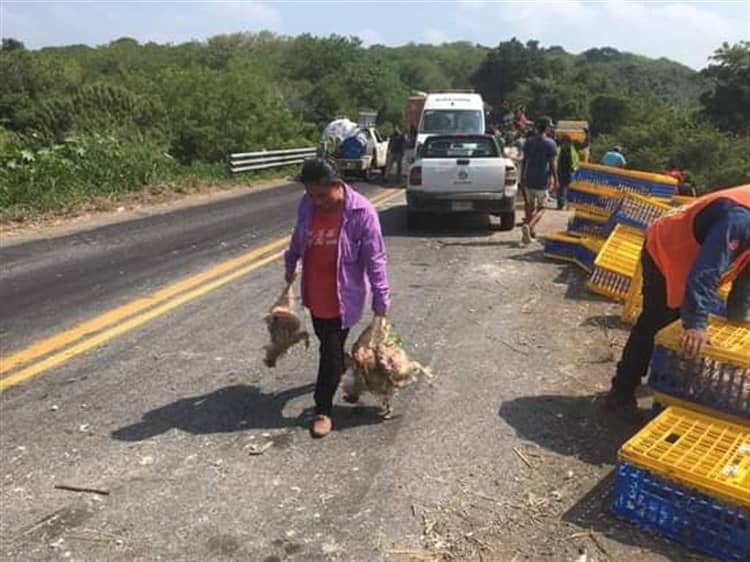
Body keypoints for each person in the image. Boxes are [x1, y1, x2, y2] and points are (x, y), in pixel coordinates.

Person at [603, 185, 750, 422]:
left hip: (696, 251)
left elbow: (745, 274)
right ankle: (620, 393)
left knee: (679, 320)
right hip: (666, 247)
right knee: (656, 322)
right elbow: (706, 272)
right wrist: (696, 323)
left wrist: (739, 319)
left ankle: (671, 381)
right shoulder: (740, 219)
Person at [285, 158, 391, 438]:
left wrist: (382, 296)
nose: (317, 201)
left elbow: (375, 258)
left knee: (328, 351)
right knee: (327, 343)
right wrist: (291, 259)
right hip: (315, 291)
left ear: (337, 184)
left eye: (322, 195)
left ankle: (323, 408)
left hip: (344, 296)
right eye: (310, 194)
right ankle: (342, 362)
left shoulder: (361, 212)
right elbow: (299, 235)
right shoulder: (307, 205)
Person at [520, 118, 558, 244]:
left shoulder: (529, 142)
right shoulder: (550, 143)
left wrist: (522, 177)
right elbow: (552, 164)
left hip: (528, 178)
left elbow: (524, 160)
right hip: (541, 181)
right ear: (546, 128)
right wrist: (555, 179)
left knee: (529, 206)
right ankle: (529, 226)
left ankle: (530, 234)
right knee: (542, 208)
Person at [556, 135, 578, 211]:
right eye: (563, 142)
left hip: (569, 172)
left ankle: (569, 205)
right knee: (560, 189)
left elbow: (575, 161)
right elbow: (556, 161)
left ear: (569, 143)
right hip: (561, 172)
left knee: (570, 189)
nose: (565, 144)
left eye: (566, 142)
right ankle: (560, 204)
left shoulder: (572, 150)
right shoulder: (559, 150)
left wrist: (574, 169)